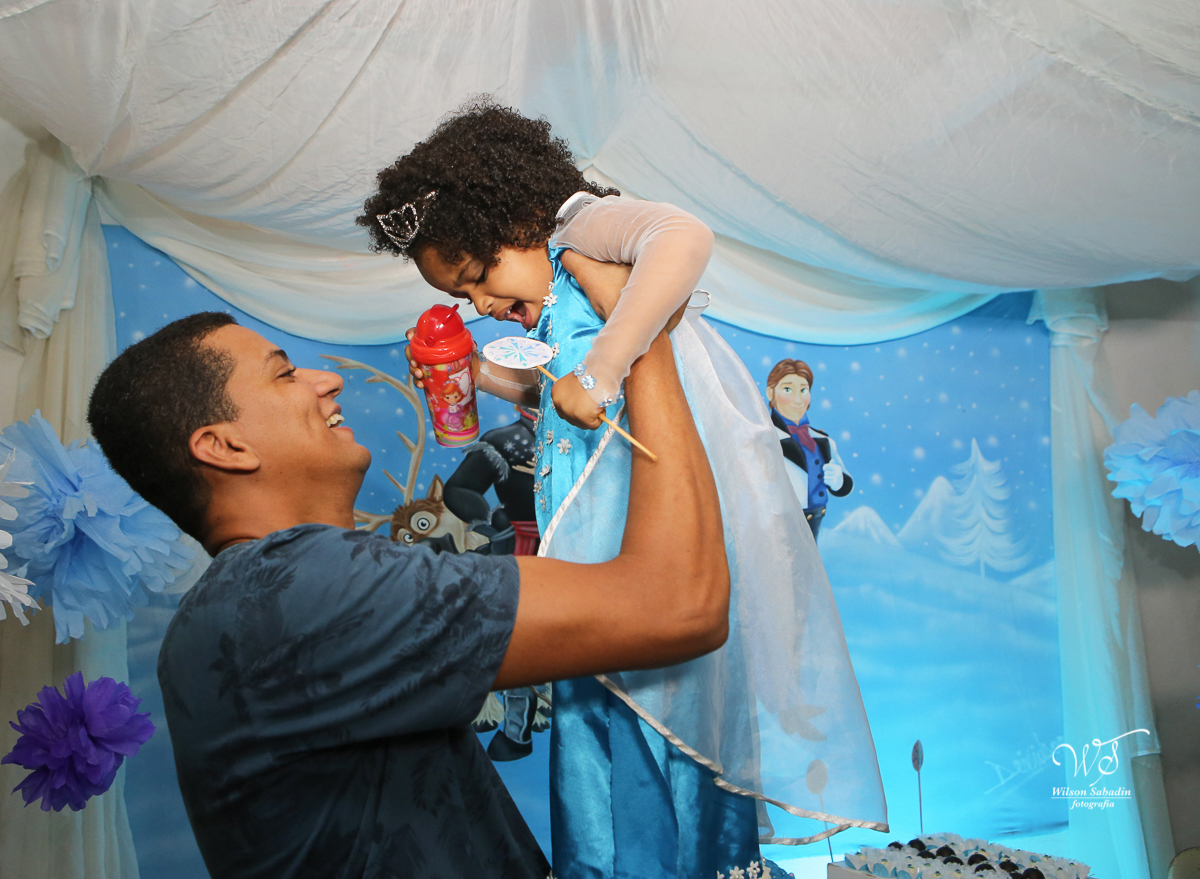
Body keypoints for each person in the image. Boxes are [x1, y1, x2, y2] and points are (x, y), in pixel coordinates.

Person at [359, 98, 887, 879]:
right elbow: (575, 415)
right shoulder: (558, 299)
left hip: (647, 541)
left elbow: (683, 237)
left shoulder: (577, 226)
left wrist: (605, 366)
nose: (476, 303)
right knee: (599, 735)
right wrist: (482, 374)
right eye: (463, 295)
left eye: (477, 277)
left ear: (521, 214)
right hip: (597, 550)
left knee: (660, 735)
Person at [85, 308, 731, 879]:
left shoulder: (230, 611)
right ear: (225, 446)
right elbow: (679, 603)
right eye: (284, 374)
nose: (327, 380)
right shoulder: (302, 587)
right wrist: (640, 331)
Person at [765, 358, 853, 538]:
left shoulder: (822, 439)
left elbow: (845, 480)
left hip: (816, 519)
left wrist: (839, 481)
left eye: (804, 390)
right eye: (788, 389)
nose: (798, 399)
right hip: (779, 524)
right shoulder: (764, 439)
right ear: (771, 392)